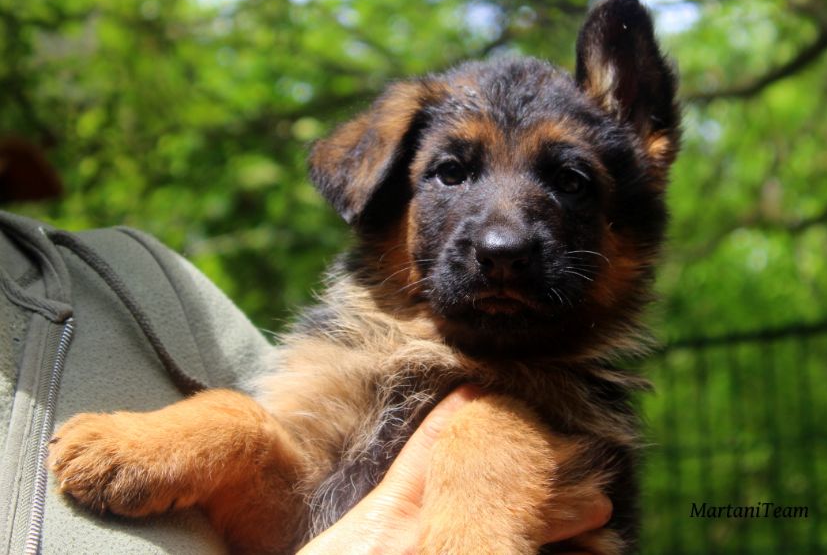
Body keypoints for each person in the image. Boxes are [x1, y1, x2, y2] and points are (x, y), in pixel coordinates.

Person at [0, 211, 608, 554]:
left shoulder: (128, 275)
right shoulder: (354, 352)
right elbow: (295, 521)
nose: (504, 236)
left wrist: (488, 450)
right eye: (451, 171)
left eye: (571, 186)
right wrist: (230, 438)